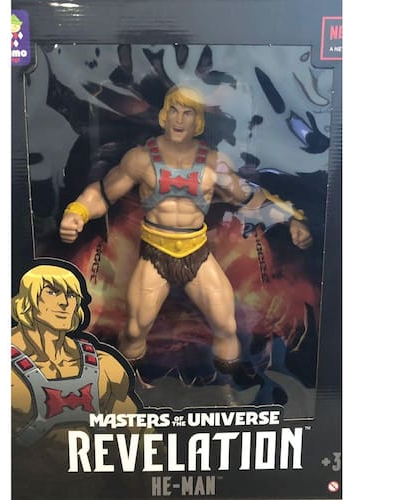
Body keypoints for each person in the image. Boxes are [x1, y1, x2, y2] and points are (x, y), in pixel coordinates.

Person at [59, 85, 312, 383]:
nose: (179, 119)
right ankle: (122, 386)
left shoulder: (214, 162)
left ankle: (230, 389)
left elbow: (249, 198)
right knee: (135, 330)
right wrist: (77, 212)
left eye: (188, 113)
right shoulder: (141, 159)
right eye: (174, 111)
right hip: (155, 254)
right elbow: (103, 193)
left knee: (226, 326)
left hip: (196, 254)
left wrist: (291, 219)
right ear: (164, 115)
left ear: (198, 120)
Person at [11, 264, 139, 448]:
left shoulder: (104, 365)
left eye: (71, 295)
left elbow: (138, 432)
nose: (64, 302)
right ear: (27, 300)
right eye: (52, 292)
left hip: (94, 466)